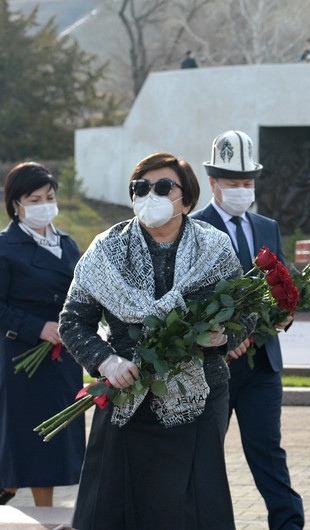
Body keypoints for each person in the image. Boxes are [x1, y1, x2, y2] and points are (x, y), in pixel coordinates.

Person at [60, 153, 247, 530]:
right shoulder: (106, 250)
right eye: (140, 188)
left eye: (163, 187)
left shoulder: (215, 247)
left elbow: (245, 314)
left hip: (199, 398)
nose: (151, 195)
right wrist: (106, 361)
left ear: (188, 200)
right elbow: (72, 321)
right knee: (115, 509)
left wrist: (223, 336)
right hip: (126, 395)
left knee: (193, 509)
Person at [192, 130, 305, 530]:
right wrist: (225, 336)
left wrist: (286, 313)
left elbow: (282, 283)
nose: (242, 190)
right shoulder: (193, 229)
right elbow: (190, 298)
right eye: (233, 183)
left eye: (247, 183)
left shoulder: (267, 226)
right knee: (203, 454)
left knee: (267, 452)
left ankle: (288, 523)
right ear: (213, 184)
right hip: (214, 366)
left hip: (261, 367)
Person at [0, 163, 84, 507]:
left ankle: (14, 492)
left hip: (64, 357)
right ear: (15, 204)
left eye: (49, 197)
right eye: (33, 199)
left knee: (58, 442)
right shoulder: (6, 246)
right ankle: (42, 515)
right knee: (31, 445)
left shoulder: (67, 243)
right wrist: (38, 327)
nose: (44, 205)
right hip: (24, 359)